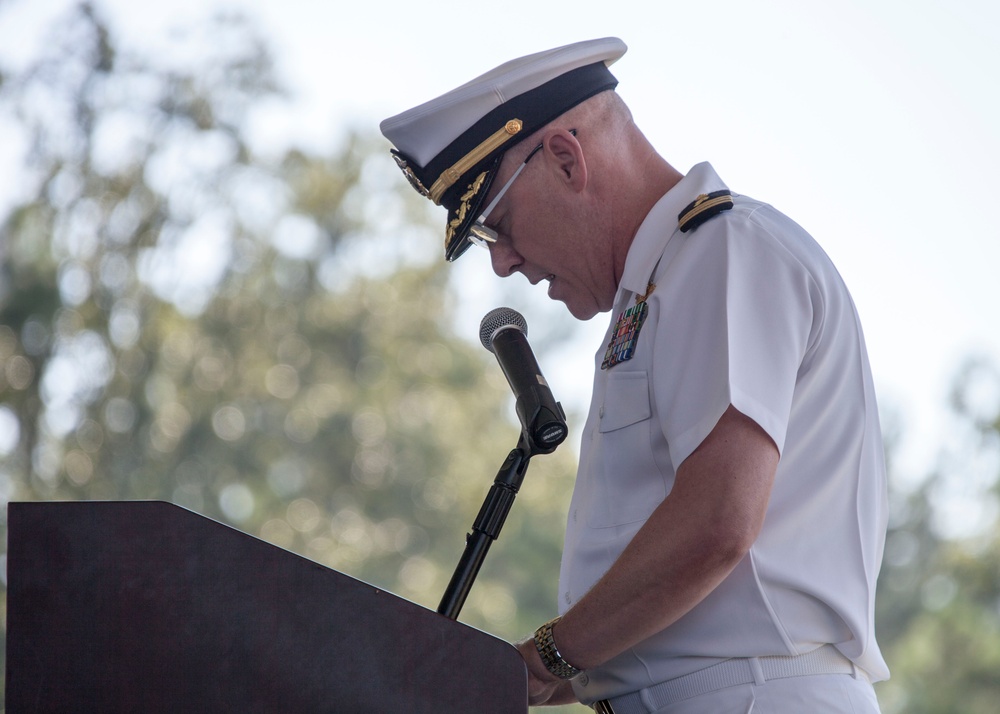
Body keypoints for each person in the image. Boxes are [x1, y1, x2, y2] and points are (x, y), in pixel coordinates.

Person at [380, 37, 889, 713]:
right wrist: (557, 667)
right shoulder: (667, 280)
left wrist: (554, 654)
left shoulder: (721, 253)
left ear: (565, 158)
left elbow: (718, 521)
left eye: (497, 224)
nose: (503, 265)